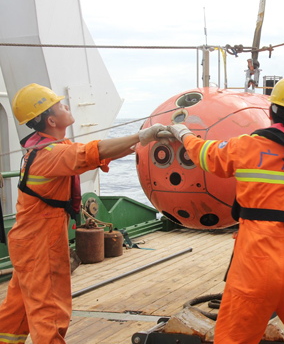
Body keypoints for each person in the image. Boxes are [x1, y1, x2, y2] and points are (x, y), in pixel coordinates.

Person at [167, 75, 284, 343]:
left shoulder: (248, 146)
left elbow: (206, 155)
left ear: (271, 110)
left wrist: (183, 134)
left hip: (258, 263)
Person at [0, 83, 167, 344]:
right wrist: (140, 136)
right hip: (41, 244)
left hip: (29, 241)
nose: (66, 105)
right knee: (50, 313)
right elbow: (92, 152)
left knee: (17, 311)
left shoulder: (48, 148)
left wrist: (138, 144)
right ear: (52, 119)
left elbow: (92, 154)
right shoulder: (50, 154)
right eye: (60, 105)